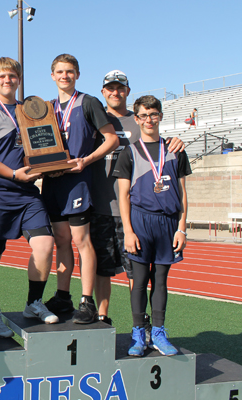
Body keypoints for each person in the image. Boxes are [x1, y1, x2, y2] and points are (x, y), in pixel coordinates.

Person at [0, 57, 59, 339]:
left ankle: (33, 303)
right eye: (2, 76)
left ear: (19, 79)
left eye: (12, 76)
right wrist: (11, 174)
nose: (8, 80)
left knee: (45, 245)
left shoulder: (29, 110)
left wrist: (53, 165)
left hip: (27, 193)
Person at [92, 70, 185, 325]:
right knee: (103, 268)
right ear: (103, 92)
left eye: (120, 88)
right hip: (100, 205)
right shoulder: (95, 120)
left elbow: (161, 146)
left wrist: (177, 141)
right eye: (110, 88)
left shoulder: (140, 120)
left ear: (127, 92)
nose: (115, 92)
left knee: (137, 272)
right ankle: (102, 317)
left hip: (134, 212)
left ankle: (141, 323)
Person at [42, 54, 119, 324]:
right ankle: (63, 296)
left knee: (81, 240)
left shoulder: (88, 102)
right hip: (53, 181)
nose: (65, 76)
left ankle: (87, 301)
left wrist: (86, 160)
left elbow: (111, 138)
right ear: (52, 76)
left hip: (77, 182)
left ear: (77, 75)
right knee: (60, 240)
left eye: (70, 71)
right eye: (60, 72)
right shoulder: (47, 107)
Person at [113, 95, 191, 356]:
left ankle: (158, 331)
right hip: (140, 221)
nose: (149, 119)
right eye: (144, 115)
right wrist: (128, 231)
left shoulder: (175, 150)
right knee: (139, 279)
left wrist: (181, 228)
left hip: (168, 223)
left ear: (160, 116)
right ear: (137, 119)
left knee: (161, 279)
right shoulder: (130, 152)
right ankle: (138, 333)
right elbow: (123, 195)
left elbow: (182, 193)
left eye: (153, 114)